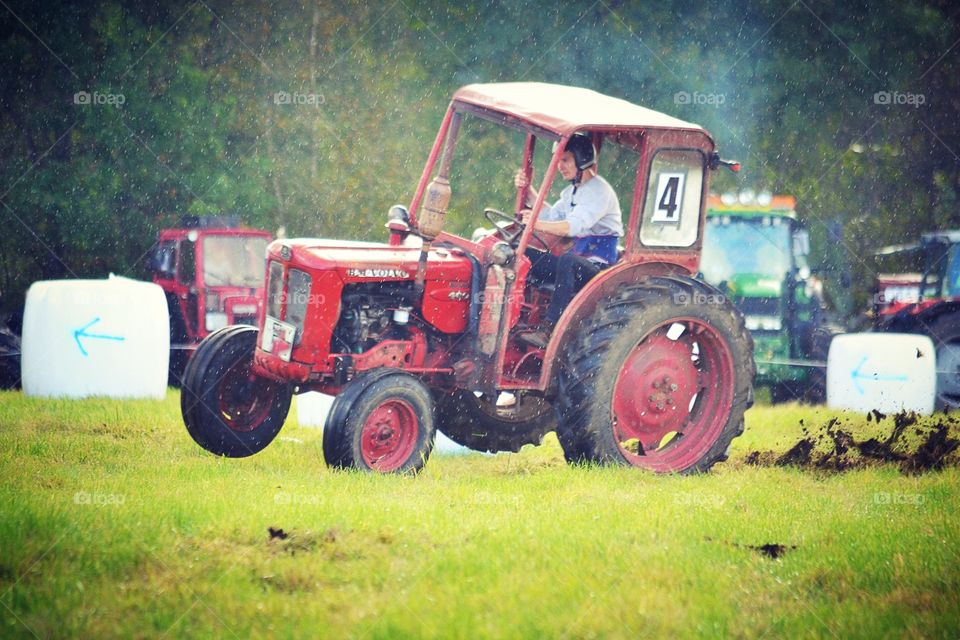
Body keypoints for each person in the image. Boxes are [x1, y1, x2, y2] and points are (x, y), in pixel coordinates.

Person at [514, 133, 623, 348]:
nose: (560, 166)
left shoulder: (599, 192)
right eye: (559, 160)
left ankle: (548, 330)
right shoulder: (571, 191)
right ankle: (516, 317)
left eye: (565, 160)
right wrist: (526, 190)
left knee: (567, 261)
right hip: (575, 263)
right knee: (521, 253)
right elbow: (551, 216)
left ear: (581, 159)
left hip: (597, 269)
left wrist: (535, 224)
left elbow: (571, 226)